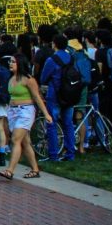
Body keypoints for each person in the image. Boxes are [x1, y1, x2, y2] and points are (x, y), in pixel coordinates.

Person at [0, 54, 52, 181]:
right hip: (13, 111)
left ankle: (9, 170)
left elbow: (37, 97)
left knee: (15, 139)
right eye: (10, 61)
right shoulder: (11, 79)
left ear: (20, 63)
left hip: (25, 111)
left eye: (13, 62)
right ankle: (35, 169)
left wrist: (46, 114)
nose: (10, 64)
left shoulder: (29, 79)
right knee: (25, 141)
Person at [39, 34, 78, 162]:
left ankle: (53, 154)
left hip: (54, 95)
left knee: (52, 124)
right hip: (69, 94)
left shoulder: (52, 60)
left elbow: (43, 78)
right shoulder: (71, 58)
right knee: (68, 124)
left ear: (54, 44)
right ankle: (70, 153)